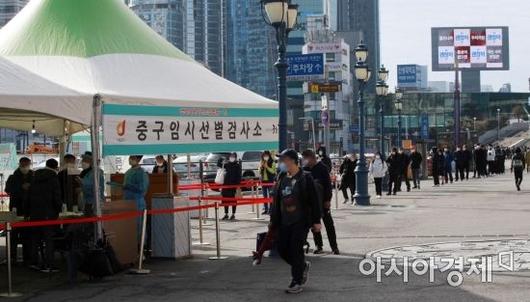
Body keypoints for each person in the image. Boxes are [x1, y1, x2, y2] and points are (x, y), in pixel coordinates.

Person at [270, 149, 321, 294]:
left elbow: (314, 201)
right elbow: (276, 200)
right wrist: (273, 220)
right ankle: (302, 266)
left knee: (296, 249)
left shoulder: (305, 178)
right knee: (282, 249)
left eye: (283, 160)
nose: (280, 163)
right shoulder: (281, 177)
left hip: (300, 221)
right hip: (284, 221)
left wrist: (316, 221)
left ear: (292, 161)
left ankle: (296, 281)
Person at [302, 149, 339, 255]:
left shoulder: (322, 168)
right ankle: (319, 246)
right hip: (311, 203)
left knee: (329, 224)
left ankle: (334, 247)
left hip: (323, 201)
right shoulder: (304, 169)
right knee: (314, 225)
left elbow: (328, 186)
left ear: (312, 158)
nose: (304, 161)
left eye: (305, 159)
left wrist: (328, 200)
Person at [28, 158, 62, 272]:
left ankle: (34, 262)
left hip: (34, 213)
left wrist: (27, 211)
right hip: (48, 213)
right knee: (49, 240)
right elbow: (56, 197)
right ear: (56, 167)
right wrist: (58, 210)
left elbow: (28, 195)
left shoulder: (34, 176)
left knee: (35, 239)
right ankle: (49, 264)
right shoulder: (53, 178)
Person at [5, 157, 33, 264]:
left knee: (28, 234)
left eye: (27, 164)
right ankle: (12, 256)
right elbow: (7, 190)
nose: (25, 166)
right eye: (23, 164)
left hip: (29, 209)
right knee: (13, 234)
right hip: (16, 208)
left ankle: (28, 256)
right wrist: (21, 187)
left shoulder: (33, 176)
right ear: (20, 164)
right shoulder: (13, 177)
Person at [219, 152, 241, 220]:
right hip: (225, 185)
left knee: (233, 200)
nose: (232, 157)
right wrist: (221, 158)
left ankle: (233, 214)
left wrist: (237, 185)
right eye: (231, 156)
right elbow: (218, 164)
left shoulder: (237, 166)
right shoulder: (227, 164)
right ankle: (226, 214)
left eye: (233, 156)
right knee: (225, 200)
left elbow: (239, 176)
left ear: (235, 157)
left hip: (233, 186)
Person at [259, 151, 276, 215]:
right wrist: (261, 168)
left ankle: (271, 210)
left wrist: (267, 167)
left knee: (270, 196)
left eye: (266, 155)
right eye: (264, 156)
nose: (265, 157)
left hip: (270, 181)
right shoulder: (261, 162)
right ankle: (265, 209)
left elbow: (273, 172)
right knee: (264, 196)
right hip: (263, 181)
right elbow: (259, 172)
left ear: (269, 156)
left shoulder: (272, 162)